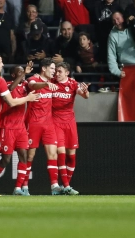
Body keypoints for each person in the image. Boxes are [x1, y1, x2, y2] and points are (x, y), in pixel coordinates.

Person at [0, 53, 39, 196]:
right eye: (1, 61)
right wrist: (28, 98)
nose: (3, 64)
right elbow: (10, 101)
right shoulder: (1, 81)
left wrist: (46, 83)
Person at [0, 62, 35, 196]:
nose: (23, 75)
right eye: (20, 72)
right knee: (6, 159)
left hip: (20, 128)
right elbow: (9, 90)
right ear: (14, 75)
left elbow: (34, 85)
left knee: (23, 156)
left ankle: (18, 188)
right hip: (7, 127)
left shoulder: (25, 86)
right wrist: (23, 74)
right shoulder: (7, 84)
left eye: (23, 72)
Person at [25, 58, 62, 195]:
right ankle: (24, 186)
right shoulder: (33, 79)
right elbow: (33, 86)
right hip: (34, 123)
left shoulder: (52, 82)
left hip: (48, 124)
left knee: (53, 154)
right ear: (44, 69)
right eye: (52, 68)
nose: (54, 71)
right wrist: (45, 83)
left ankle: (54, 186)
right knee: (30, 156)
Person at [53, 62, 89, 195]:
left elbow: (85, 96)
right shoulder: (52, 83)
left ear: (67, 73)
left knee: (71, 156)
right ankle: (67, 186)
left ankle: (65, 185)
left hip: (70, 123)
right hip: (56, 122)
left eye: (60, 71)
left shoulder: (73, 84)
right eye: (56, 71)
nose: (57, 73)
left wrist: (85, 92)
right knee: (61, 153)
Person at [107, 11, 135, 78]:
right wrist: (117, 71)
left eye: (118, 19)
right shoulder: (112, 35)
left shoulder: (132, 28)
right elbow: (111, 55)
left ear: (123, 18)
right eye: (114, 20)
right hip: (126, 68)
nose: (116, 22)